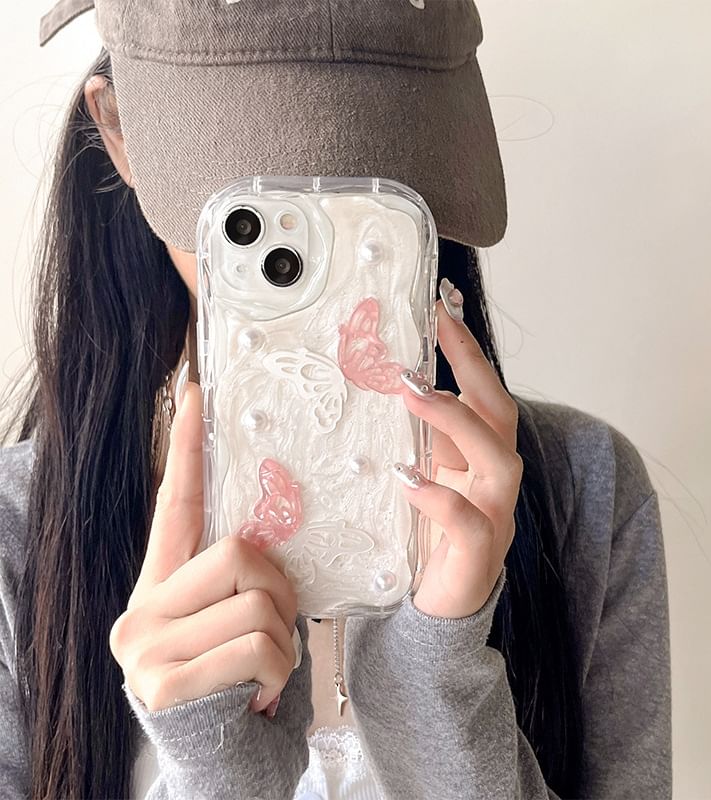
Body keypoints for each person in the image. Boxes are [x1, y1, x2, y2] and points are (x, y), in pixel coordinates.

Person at [0, 0, 672, 798]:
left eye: (378, 188)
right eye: (253, 200)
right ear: (118, 130)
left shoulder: (587, 494)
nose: (322, 216)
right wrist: (213, 765)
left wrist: (435, 683)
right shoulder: (18, 538)